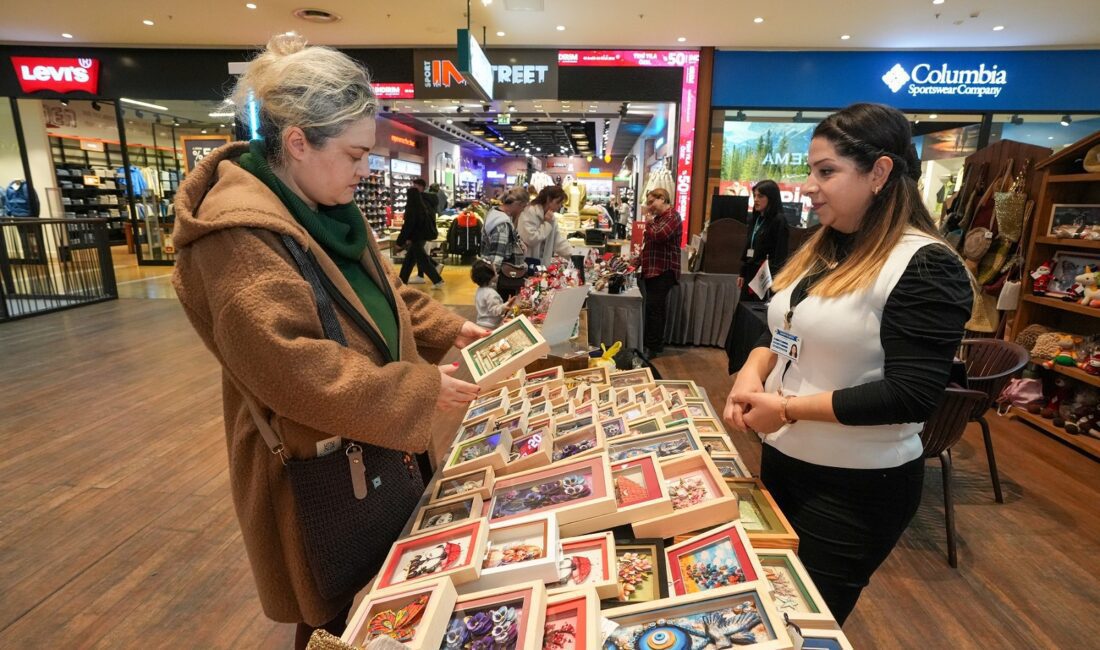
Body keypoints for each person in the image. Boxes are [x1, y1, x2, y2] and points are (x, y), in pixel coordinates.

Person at [170, 34, 488, 649]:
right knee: (334, 613)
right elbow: (292, 369)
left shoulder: (329, 206)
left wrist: (449, 328)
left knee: (380, 596)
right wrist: (419, 387)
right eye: (353, 154)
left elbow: (386, 297)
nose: (364, 170)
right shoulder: (236, 233)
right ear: (296, 143)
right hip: (317, 466)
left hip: (375, 449)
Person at [722, 103, 973, 625]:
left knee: (800, 623)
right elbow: (787, 329)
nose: (809, 186)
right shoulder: (827, 246)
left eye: (827, 171)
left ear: (879, 172)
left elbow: (912, 394)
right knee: (763, 612)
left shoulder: (924, 264)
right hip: (786, 462)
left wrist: (788, 409)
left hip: (854, 488)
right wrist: (752, 369)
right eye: (811, 170)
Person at [638, 188, 682, 357]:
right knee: (653, 309)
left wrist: (648, 221)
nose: (649, 207)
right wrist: (639, 260)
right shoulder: (659, 218)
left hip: (664, 271)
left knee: (655, 310)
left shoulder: (673, 216)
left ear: (662, 199)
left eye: (651, 202)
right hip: (654, 270)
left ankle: (653, 348)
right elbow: (650, 243)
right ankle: (651, 344)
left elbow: (659, 235)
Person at [739, 179, 789, 301]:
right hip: (750, 274)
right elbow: (748, 247)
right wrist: (742, 273)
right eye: (754, 196)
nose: (756, 199)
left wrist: (774, 280)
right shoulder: (755, 219)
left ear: (771, 198)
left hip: (765, 277)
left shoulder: (779, 220)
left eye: (760, 196)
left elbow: (780, 255)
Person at [480, 187, 530, 300]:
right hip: (503, 280)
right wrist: (491, 285)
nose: (522, 211)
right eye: (523, 207)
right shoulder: (502, 224)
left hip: (499, 277)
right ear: (519, 204)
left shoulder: (494, 213)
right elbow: (496, 257)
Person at [398, 179, 443, 287]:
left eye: (415, 186)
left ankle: (437, 279)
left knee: (421, 259)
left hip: (418, 234)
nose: (414, 188)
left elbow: (411, 222)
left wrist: (402, 240)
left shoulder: (417, 202)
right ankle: (402, 280)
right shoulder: (427, 200)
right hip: (422, 233)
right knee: (411, 258)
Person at [517, 185, 570, 266]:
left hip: (542, 266)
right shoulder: (529, 212)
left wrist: (575, 255)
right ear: (548, 199)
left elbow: (558, 241)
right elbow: (531, 238)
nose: (559, 206)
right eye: (558, 202)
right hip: (526, 264)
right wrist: (547, 224)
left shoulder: (551, 217)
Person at [472, 259, 513, 328]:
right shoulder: (491, 294)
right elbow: (495, 311)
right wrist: (507, 304)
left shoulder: (479, 290)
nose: (497, 274)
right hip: (491, 326)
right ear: (489, 276)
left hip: (481, 324)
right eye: (495, 272)